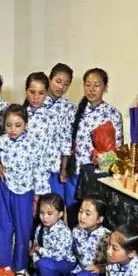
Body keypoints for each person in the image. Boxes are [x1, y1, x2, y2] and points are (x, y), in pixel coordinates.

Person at [0, 104, 50, 276]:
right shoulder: (0, 141)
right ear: (4, 125)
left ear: (26, 125)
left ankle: (20, 266)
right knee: (3, 226)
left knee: (23, 228)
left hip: (25, 191)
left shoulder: (33, 143)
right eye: (9, 125)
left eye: (18, 125)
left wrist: (38, 196)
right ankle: (3, 264)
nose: (13, 130)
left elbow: (39, 169)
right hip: (4, 188)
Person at [68, 68, 123, 224]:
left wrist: (103, 159)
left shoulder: (112, 114)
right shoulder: (74, 111)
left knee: (92, 219)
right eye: (88, 84)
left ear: (105, 87)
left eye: (96, 85)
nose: (91, 89)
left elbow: (117, 150)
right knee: (73, 216)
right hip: (75, 172)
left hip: (97, 176)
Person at [51, 198, 110, 276]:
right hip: (78, 271)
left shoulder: (107, 237)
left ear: (99, 219)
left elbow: (117, 264)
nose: (82, 217)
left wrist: (102, 268)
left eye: (88, 214)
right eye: (80, 212)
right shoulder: (76, 231)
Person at [22, 72, 68, 201]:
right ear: (26, 91)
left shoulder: (55, 116)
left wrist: (63, 169)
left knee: (50, 210)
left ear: (46, 93)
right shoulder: (19, 115)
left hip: (50, 173)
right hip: (25, 173)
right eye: (32, 92)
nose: (36, 97)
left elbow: (65, 143)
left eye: (41, 93)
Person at [28, 193, 74, 276]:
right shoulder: (40, 228)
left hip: (64, 263)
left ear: (60, 214)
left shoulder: (63, 231)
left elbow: (59, 256)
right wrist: (36, 260)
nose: (44, 217)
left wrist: (39, 250)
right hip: (46, 264)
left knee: (43, 264)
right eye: (41, 213)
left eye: (50, 213)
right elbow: (35, 246)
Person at [44, 63, 76, 206]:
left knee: (55, 207)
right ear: (50, 79)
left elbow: (67, 141)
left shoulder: (69, 108)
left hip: (56, 168)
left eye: (66, 84)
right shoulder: (37, 101)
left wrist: (64, 168)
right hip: (35, 168)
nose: (61, 87)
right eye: (58, 81)